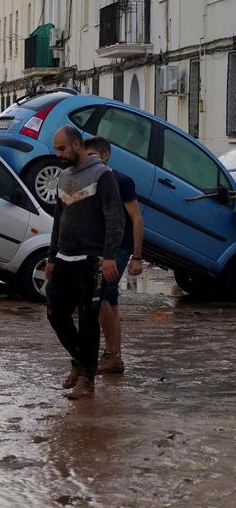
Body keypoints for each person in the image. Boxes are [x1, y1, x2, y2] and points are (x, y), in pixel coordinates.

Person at [44, 125, 124, 399]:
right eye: (56, 149)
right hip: (64, 259)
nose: (58, 154)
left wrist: (109, 256)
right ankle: (80, 361)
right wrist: (52, 257)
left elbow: (116, 218)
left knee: (89, 319)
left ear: (77, 144)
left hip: (92, 261)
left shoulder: (103, 175)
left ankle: (87, 380)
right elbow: (58, 220)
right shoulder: (63, 177)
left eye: (62, 148)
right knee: (55, 313)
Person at [84, 135, 144, 375]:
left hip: (118, 247)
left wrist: (137, 256)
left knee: (103, 297)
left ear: (105, 155)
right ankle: (114, 356)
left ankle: (110, 354)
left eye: (92, 156)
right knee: (110, 300)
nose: (88, 161)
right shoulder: (88, 181)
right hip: (98, 247)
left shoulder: (121, 181)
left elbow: (137, 218)